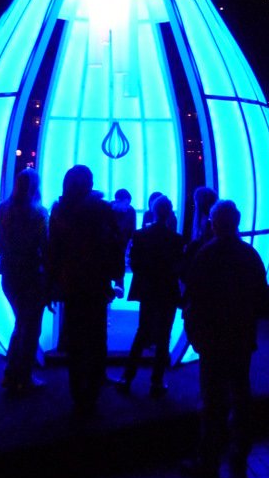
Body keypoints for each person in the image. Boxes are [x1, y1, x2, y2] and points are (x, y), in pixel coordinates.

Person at [181, 199, 268, 478]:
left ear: (214, 223)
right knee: (240, 392)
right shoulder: (249, 255)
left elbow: (194, 298)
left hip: (214, 338)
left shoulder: (207, 254)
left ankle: (208, 459)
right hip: (241, 337)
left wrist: (195, 333)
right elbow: (262, 298)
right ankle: (240, 448)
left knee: (212, 398)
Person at [47, 165, 124, 417]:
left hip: (71, 282)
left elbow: (53, 250)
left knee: (77, 338)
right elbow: (115, 244)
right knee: (97, 334)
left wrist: (52, 284)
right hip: (96, 281)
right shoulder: (101, 209)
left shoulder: (60, 210)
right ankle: (94, 385)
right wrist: (116, 277)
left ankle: (78, 392)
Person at [116, 194, 184, 396]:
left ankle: (127, 377)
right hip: (167, 290)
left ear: (153, 211)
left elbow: (134, 263)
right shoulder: (176, 239)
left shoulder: (140, 235)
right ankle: (157, 382)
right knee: (164, 336)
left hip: (147, 289)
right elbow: (178, 267)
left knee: (142, 332)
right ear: (169, 213)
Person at [0, 167, 49, 395]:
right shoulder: (39, 214)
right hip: (32, 275)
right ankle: (23, 376)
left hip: (9, 273)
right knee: (30, 327)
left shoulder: (2, 210)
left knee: (21, 323)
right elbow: (46, 247)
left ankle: (12, 374)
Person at [111, 188, 137, 297]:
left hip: (122, 243)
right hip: (109, 243)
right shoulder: (108, 209)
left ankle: (119, 287)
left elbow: (133, 231)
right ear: (117, 201)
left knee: (120, 263)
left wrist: (130, 246)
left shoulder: (131, 211)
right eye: (126, 204)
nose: (127, 206)